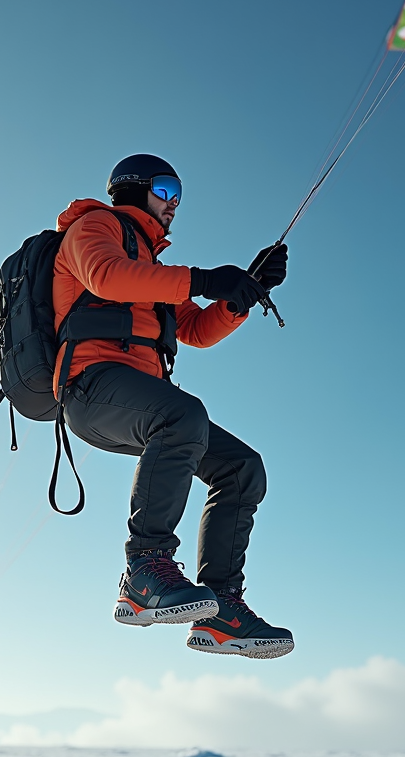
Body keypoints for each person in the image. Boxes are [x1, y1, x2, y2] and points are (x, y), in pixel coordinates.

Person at [54, 153, 294, 658]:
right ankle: (144, 568)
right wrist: (205, 279)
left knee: (242, 466)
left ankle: (222, 611)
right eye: (165, 190)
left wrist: (244, 292)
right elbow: (104, 277)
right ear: (133, 188)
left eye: (179, 195)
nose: (174, 204)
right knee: (184, 414)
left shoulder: (157, 269)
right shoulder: (94, 226)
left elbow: (197, 331)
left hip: (141, 402)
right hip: (91, 387)